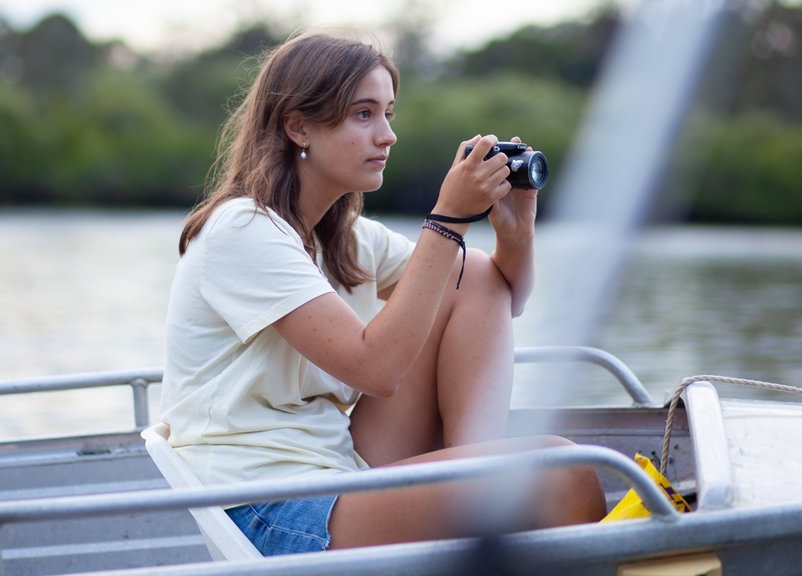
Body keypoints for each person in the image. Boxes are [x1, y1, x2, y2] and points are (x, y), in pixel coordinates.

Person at [159, 30, 605, 555]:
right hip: (267, 506)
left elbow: (500, 293)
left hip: (335, 466)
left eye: (388, 113)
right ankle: (488, 504)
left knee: (473, 277)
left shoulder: (342, 236)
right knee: (563, 472)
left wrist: (517, 232)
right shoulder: (242, 229)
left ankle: (482, 493)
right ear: (298, 127)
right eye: (363, 114)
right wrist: (450, 219)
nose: (388, 135)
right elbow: (377, 370)